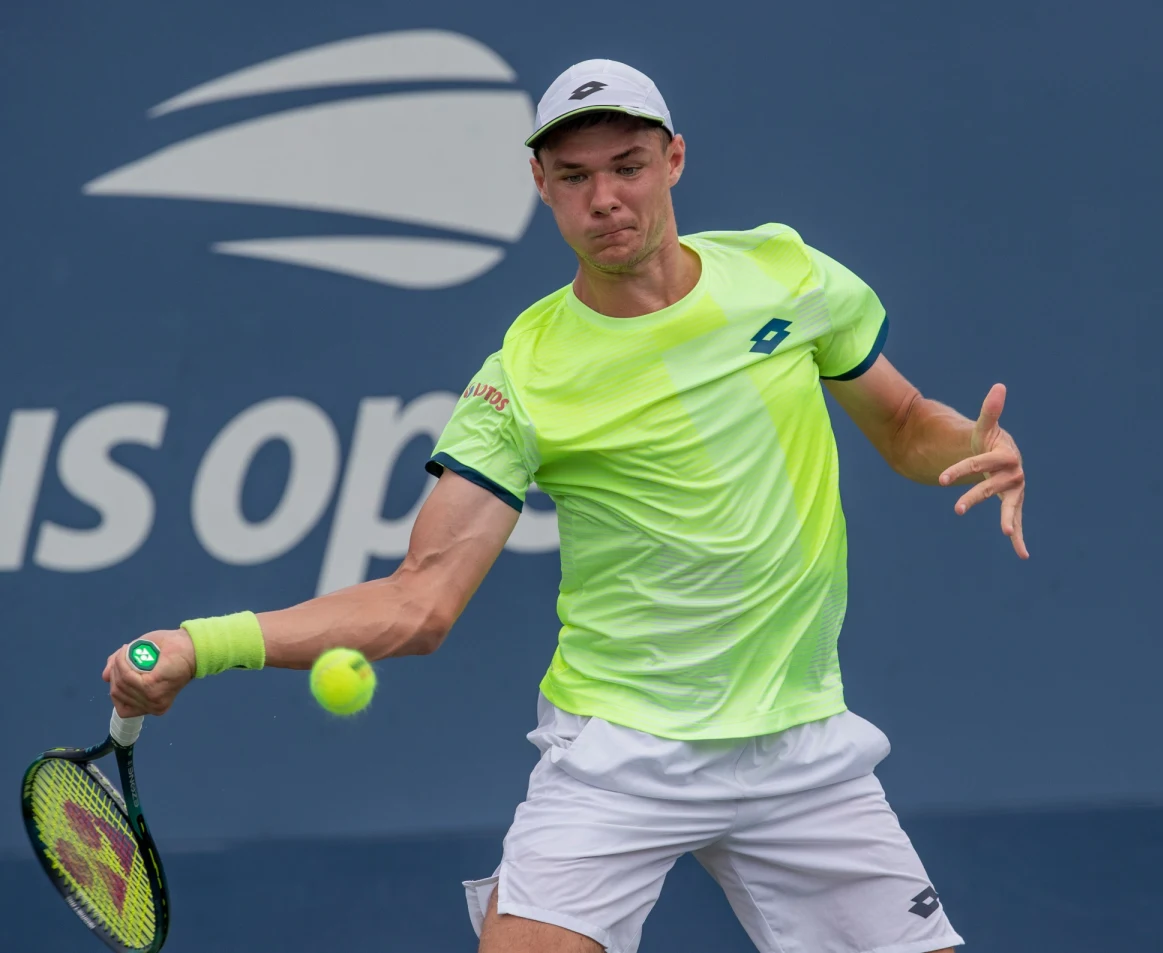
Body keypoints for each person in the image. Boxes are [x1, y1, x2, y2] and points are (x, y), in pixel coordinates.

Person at [104, 59, 1027, 953]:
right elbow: (417, 603)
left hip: (801, 743)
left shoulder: (788, 276)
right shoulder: (523, 377)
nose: (606, 199)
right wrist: (201, 643)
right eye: (576, 177)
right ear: (540, 184)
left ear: (673, 160)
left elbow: (906, 424)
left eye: (628, 167)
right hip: (622, 752)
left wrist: (973, 447)